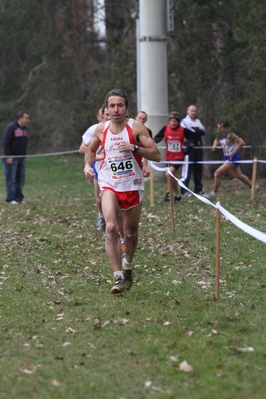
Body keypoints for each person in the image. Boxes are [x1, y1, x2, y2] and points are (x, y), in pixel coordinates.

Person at [84, 88, 161, 294]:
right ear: (107, 109)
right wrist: (87, 166)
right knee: (110, 227)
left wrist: (135, 148)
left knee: (131, 233)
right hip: (109, 183)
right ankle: (117, 277)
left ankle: (127, 265)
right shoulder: (101, 129)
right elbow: (90, 150)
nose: (116, 110)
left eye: (120, 105)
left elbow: (157, 155)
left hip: (132, 185)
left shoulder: (136, 128)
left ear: (127, 109)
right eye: (112, 106)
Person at [154, 111, 202, 203]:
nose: (173, 123)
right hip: (169, 156)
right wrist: (153, 141)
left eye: (175, 121)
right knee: (171, 177)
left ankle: (172, 193)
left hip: (179, 156)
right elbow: (157, 137)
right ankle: (175, 195)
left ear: (178, 122)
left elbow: (195, 137)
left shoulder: (183, 130)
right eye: (171, 121)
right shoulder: (166, 128)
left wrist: (190, 146)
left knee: (169, 174)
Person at [79, 106, 110, 231]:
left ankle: (111, 221)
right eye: (106, 114)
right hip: (97, 165)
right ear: (101, 116)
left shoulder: (121, 128)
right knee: (99, 198)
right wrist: (98, 156)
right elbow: (82, 149)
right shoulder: (94, 129)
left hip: (113, 166)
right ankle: (101, 216)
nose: (108, 117)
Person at [205, 122, 252, 198]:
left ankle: (214, 193)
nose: (219, 129)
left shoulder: (231, 135)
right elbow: (216, 139)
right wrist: (214, 145)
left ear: (225, 128)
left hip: (233, 158)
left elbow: (242, 143)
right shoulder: (220, 135)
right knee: (238, 175)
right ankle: (252, 187)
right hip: (227, 157)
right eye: (218, 127)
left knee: (217, 173)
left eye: (220, 128)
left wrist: (233, 152)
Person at [2, 110, 30, 204]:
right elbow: (5, 142)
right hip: (11, 158)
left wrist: (24, 156)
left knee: (20, 179)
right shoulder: (11, 127)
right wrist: (8, 156)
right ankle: (11, 198)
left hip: (21, 158)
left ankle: (19, 198)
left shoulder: (25, 129)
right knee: (11, 179)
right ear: (20, 118)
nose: (28, 120)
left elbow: (24, 143)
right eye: (26, 118)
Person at [180, 105, 207, 196]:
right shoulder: (184, 121)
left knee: (198, 169)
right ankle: (184, 189)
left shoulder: (198, 121)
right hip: (190, 148)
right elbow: (190, 132)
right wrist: (197, 131)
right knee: (187, 169)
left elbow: (203, 132)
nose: (193, 112)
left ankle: (198, 189)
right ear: (187, 111)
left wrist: (198, 131)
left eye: (195, 111)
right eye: (192, 111)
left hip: (198, 148)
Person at [134, 110, 153, 177]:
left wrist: (145, 165)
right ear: (135, 117)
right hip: (129, 159)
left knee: (138, 182)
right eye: (140, 118)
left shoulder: (148, 132)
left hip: (140, 160)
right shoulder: (128, 129)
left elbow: (147, 150)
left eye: (143, 119)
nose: (141, 120)